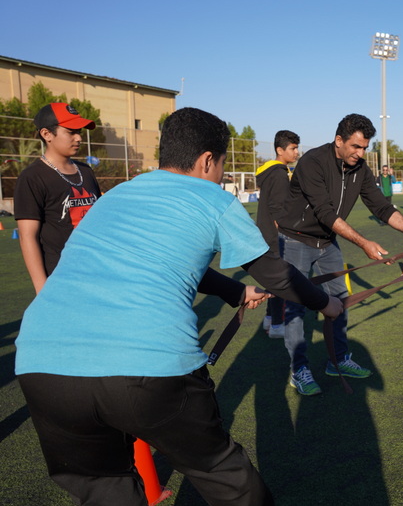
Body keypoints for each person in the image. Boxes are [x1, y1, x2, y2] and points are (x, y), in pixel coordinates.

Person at [14, 107, 343, 505]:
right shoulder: (212, 198)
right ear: (208, 160)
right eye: (221, 164)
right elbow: (274, 272)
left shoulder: (118, 194)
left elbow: (166, 258)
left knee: (104, 487)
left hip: (41, 360)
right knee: (223, 475)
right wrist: (326, 304)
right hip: (146, 364)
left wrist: (235, 292)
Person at [277, 113, 403, 395]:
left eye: (365, 147)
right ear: (339, 140)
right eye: (355, 146)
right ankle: (299, 369)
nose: (361, 153)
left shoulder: (361, 169)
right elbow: (325, 212)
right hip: (295, 240)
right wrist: (364, 243)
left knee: (339, 300)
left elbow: (382, 208)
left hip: (327, 242)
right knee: (296, 307)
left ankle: (338, 358)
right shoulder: (312, 162)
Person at [14, 103, 102, 294]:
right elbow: (27, 236)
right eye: (70, 132)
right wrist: (42, 288)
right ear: (46, 134)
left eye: (79, 131)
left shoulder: (86, 171)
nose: (78, 138)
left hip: (96, 272)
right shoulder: (32, 177)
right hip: (61, 278)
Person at [255, 130, 301, 339]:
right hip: (275, 236)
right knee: (280, 281)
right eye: (292, 148)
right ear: (279, 150)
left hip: (265, 233)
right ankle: (277, 325)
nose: (297, 152)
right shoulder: (279, 174)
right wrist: (286, 236)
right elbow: (278, 211)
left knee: (273, 279)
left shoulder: (269, 172)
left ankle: (269, 319)